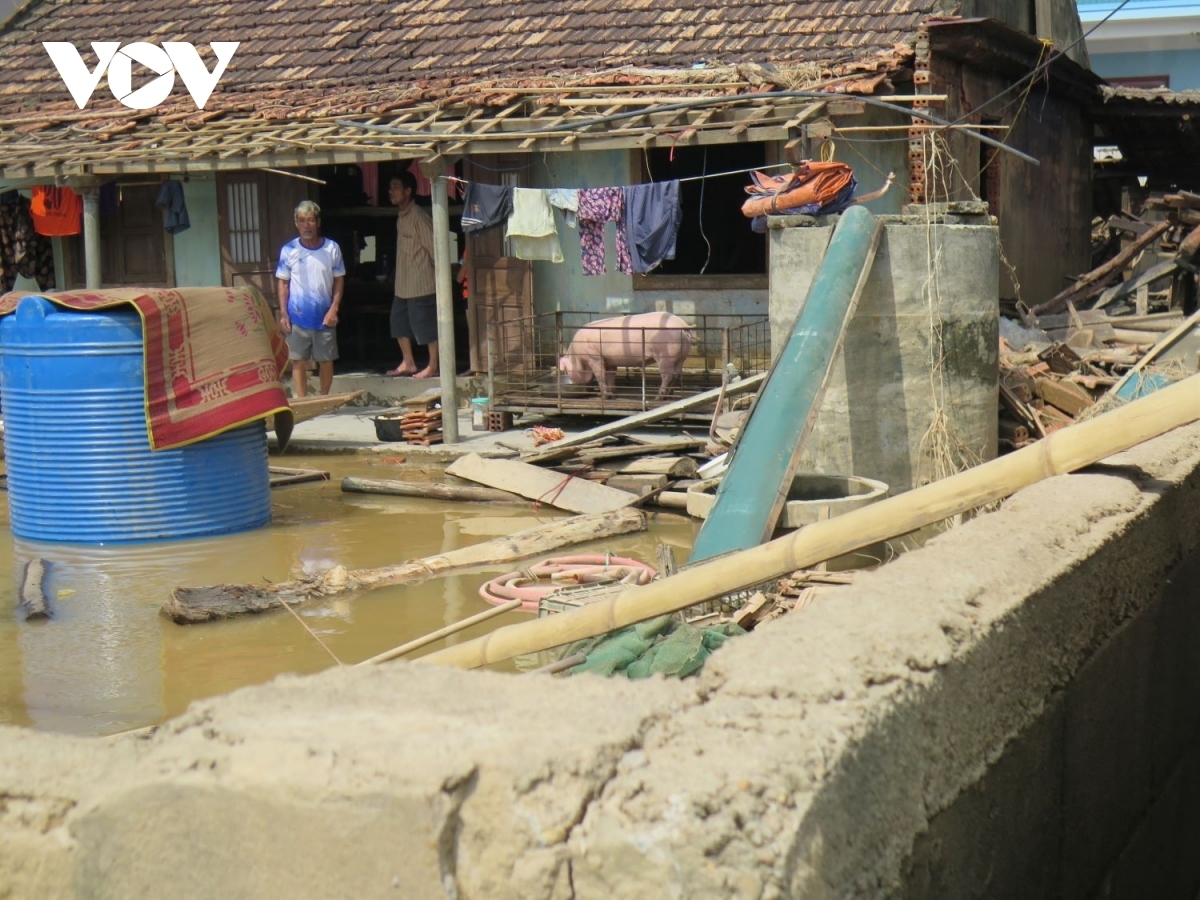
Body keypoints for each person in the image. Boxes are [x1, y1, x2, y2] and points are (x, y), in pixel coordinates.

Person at [275, 200, 344, 397]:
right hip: (298, 316)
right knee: (299, 361)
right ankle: (303, 401)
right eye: (302, 220)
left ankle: (324, 398)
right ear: (296, 223)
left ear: (318, 222)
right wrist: (283, 314)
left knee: (326, 360)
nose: (307, 225)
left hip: (325, 316)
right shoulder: (289, 250)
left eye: (311, 220)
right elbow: (283, 283)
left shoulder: (332, 248)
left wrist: (334, 309)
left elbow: (339, 281)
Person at [387, 171, 438, 378]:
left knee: (426, 327)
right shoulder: (402, 216)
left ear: (408, 191)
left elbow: (436, 249)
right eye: (391, 187)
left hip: (421, 283)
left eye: (396, 187)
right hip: (403, 285)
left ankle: (433, 365)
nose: (391, 191)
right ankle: (408, 362)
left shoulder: (419, 216)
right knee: (398, 323)